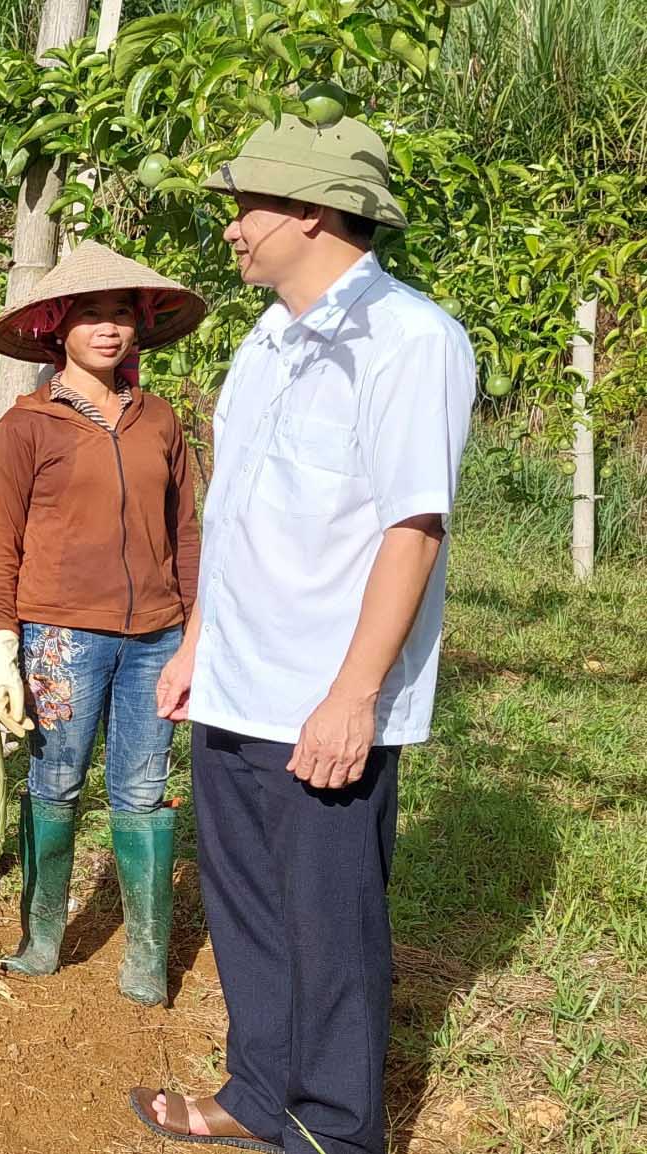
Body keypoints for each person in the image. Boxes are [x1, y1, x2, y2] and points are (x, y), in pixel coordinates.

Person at [133, 116, 474, 1154]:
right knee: (242, 904)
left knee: (329, 924)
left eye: (246, 208)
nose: (231, 230)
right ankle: (258, 1086)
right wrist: (199, 644)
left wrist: (355, 691)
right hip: (239, 674)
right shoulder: (268, 338)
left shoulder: (411, 339)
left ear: (314, 212)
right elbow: (235, 512)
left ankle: (330, 1129)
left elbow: (411, 527)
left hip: (323, 692)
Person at [0, 242, 209, 1006]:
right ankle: (41, 935)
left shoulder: (158, 419)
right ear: (57, 331)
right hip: (61, 635)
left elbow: (188, 534)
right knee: (56, 779)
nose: (109, 329)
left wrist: (196, 631)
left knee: (143, 788)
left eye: (121, 315)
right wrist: (2, 645)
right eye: (92, 315)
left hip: (156, 638)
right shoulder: (28, 425)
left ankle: (146, 953)